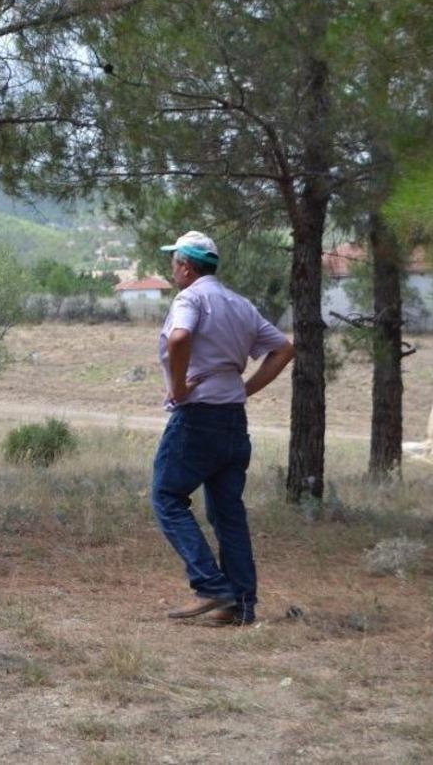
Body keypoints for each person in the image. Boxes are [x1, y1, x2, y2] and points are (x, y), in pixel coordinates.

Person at [152, 231, 295, 627]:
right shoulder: (240, 304)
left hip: (198, 417)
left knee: (166, 496)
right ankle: (242, 606)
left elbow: (180, 337)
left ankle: (211, 585)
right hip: (233, 418)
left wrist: (179, 388)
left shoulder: (190, 298)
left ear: (186, 267)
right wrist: (244, 388)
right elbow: (284, 348)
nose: (172, 269)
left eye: (174, 262)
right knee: (228, 513)